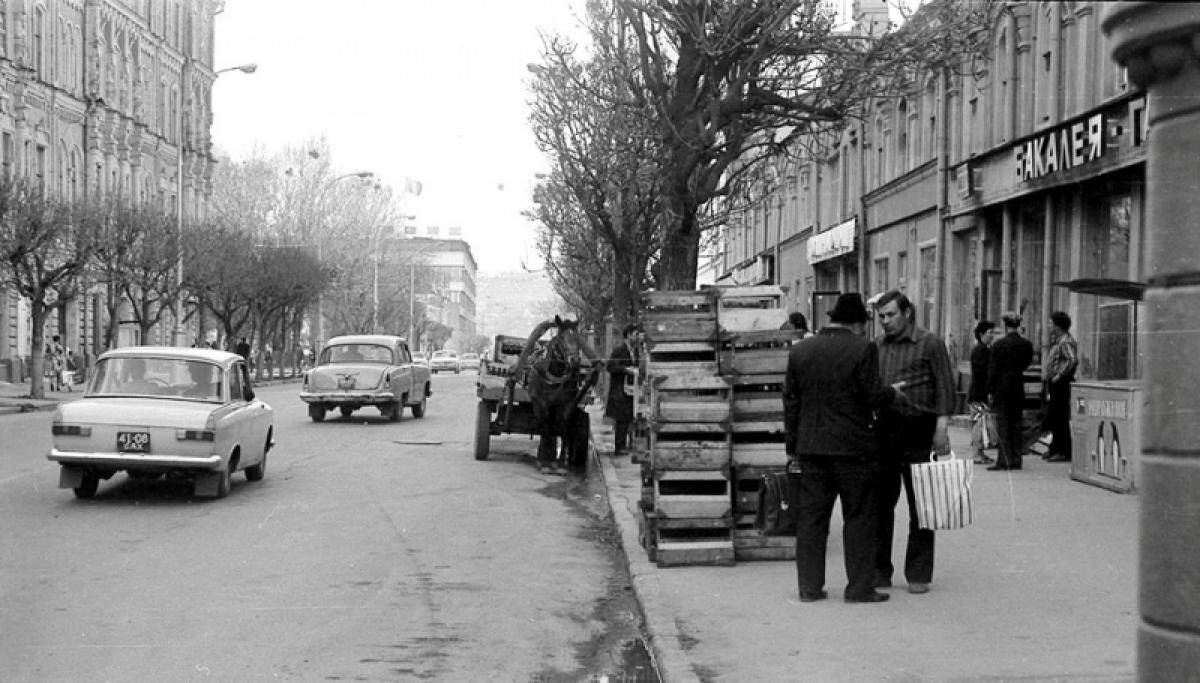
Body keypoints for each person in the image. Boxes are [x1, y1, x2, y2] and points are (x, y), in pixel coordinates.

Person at [784, 293, 903, 604]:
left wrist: (792, 447)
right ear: (856, 324)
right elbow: (872, 396)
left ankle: (809, 588)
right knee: (860, 517)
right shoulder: (863, 349)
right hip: (854, 449)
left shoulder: (801, 351)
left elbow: (791, 403)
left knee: (811, 521)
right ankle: (859, 587)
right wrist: (893, 393)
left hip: (812, 449)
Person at [872, 289, 956, 596]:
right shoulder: (877, 346)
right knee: (880, 506)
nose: (885, 322)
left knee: (922, 505)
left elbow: (945, 386)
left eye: (891, 315)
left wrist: (942, 428)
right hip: (883, 432)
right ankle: (879, 571)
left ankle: (918, 573)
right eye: (881, 316)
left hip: (920, 430)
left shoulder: (930, 344)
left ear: (907, 313)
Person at [987, 312, 1034, 470]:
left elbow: (993, 370)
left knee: (1004, 424)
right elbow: (1027, 362)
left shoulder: (998, 345)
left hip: (1002, 388)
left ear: (1006, 326)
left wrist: (990, 390)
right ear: (1017, 326)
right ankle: (1016, 459)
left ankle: (1004, 460)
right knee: (1016, 423)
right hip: (1018, 386)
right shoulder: (1026, 345)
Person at [1041, 311, 1078, 463]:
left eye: (1051, 323)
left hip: (1061, 383)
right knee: (1054, 416)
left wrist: (1059, 375)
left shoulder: (1066, 341)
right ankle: (1055, 447)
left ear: (1057, 325)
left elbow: (1072, 360)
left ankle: (1063, 450)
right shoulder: (1058, 340)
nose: (1049, 325)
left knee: (1060, 416)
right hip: (1055, 383)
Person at [605, 323, 642, 457]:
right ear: (628, 335)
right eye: (635, 334)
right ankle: (619, 448)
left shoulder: (636, 352)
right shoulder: (619, 351)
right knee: (621, 420)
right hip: (619, 391)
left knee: (628, 418)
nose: (637, 337)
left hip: (631, 390)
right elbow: (610, 367)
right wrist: (626, 370)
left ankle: (626, 445)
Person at [968, 320, 998, 465]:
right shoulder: (981, 351)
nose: (992, 336)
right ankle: (977, 454)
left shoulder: (983, 349)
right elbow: (982, 374)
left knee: (981, 423)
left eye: (993, 333)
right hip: (978, 393)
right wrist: (989, 391)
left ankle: (980, 453)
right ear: (981, 334)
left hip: (979, 392)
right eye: (990, 333)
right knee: (978, 423)